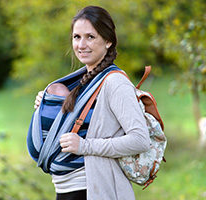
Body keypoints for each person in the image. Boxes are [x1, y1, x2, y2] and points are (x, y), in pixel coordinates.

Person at [29, 5, 150, 200]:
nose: (81, 45)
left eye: (90, 37)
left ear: (108, 41)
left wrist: (86, 146)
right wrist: (47, 105)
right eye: (77, 37)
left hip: (95, 189)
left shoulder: (115, 82)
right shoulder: (84, 80)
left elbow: (140, 140)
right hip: (67, 190)